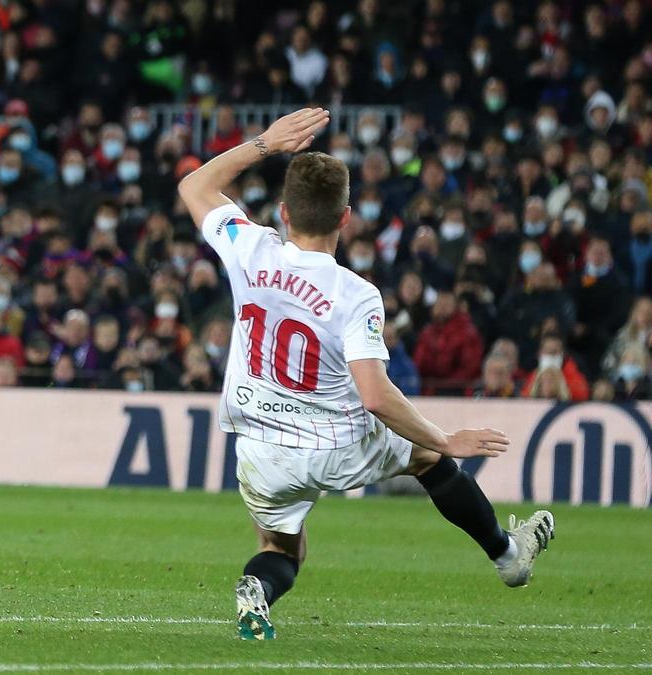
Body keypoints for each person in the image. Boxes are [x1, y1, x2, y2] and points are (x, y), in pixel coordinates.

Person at [177, 108, 554, 641]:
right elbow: (376, 398)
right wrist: (446, 439)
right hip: (336, 442)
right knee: (428, 458)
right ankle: (508, 556)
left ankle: (258, 589)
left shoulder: (249, 247)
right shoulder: (355, 294)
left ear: (284, 212)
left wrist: (264, 143)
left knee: (281, 549)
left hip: (259, 446)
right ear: (346, 218)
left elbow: (195, 184)